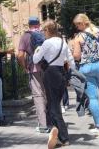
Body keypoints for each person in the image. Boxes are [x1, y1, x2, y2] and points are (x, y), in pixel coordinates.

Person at [33, 20, 73, 148]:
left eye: (43, 31)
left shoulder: (46, 43)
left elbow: (35, 60)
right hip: (61, 73)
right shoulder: (63, 42)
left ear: (48, 30)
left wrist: (37, 50)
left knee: (53, 107)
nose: (42, 33)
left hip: (50, 74)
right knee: (55, 105)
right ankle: (56, 130)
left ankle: (63, 136)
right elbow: (70, 60)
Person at [17, 16, 50, 133]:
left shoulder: (25, 36)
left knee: (38, 95)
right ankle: (52, 120)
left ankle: (43, 125)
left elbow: (20, 55)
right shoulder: (44, 33)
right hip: (47, 68)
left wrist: (25, 66)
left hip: (34, 68)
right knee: (48, 93)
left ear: (29, 25)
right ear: (38, 24)